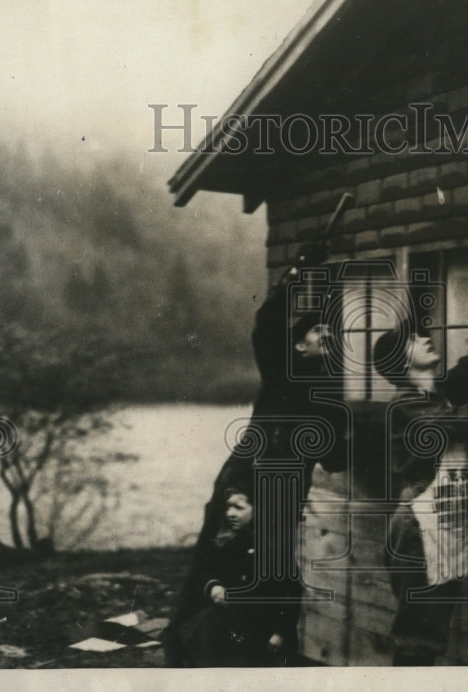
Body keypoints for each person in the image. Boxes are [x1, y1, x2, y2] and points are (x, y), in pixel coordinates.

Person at [164, 239, 348, 667]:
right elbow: (266, 322)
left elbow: (337, 459)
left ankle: (260, 656)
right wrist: (299, 272)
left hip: (283, 496)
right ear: (299, 346)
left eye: (331, 332)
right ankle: (187, 654)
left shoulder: (327, 397)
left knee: (275, 575)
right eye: (319, 331)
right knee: (216, 562)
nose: (328, 336)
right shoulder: (282, 369)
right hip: (242, 482)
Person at [374, 280, 468, 666]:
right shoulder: (405, 407)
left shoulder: (437, 395)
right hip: (417, 526)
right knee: (417, 639)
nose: (425, 339)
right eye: (413, 340)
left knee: (432, 631)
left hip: (442, 520)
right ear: (400, 364)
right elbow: (454, 425)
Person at [171, 487, 302, 667]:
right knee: (188, 635)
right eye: (228, 507)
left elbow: (291, 592)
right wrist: (214, 586)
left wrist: (280, 633)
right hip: (235, 620)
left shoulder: (274, 546)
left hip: (266, 626)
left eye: (239, 508)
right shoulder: (232, 541)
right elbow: (211, 570)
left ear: (258, 509)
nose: (230, 513)